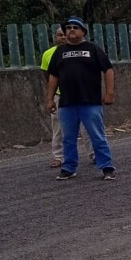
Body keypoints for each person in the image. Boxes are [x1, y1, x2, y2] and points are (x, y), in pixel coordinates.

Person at [45, 16, 116, 181]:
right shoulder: (59, 52)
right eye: (68, 28)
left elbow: (108, 70)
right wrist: (49, 98)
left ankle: (106, 166)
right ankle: (69, 168)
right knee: (68, 138)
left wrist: (109, 93)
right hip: (67, 103)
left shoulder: (93, 49)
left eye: (75, 27)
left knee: (96, 135)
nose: (71, 30)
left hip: (90, 101)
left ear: (83, 31)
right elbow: (53, 76)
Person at [41, 27, 93, 168]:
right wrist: (51, 96)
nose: (63, 37)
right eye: (59, 35)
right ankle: (59, 157)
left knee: (87, 126)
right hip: (61, 96)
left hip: (81, 96)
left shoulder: (80, 50)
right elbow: (48, 75)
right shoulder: (48, 54)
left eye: (64, 35)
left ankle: (93, 154)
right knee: (58, 128)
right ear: (55, 37)